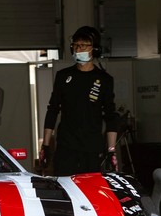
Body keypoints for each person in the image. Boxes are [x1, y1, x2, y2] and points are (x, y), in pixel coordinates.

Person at [39, 26, 120, 176]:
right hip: (66, 146)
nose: (78, 49)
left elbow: (110, 115)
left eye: (83, 45)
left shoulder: (104, 80)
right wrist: (45, 145)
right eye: (75, 45)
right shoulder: (63, 76)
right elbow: (53, 109)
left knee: (89, 187)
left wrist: (111, 151)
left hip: (92, 148)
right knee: (63, 185)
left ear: (95, 49)